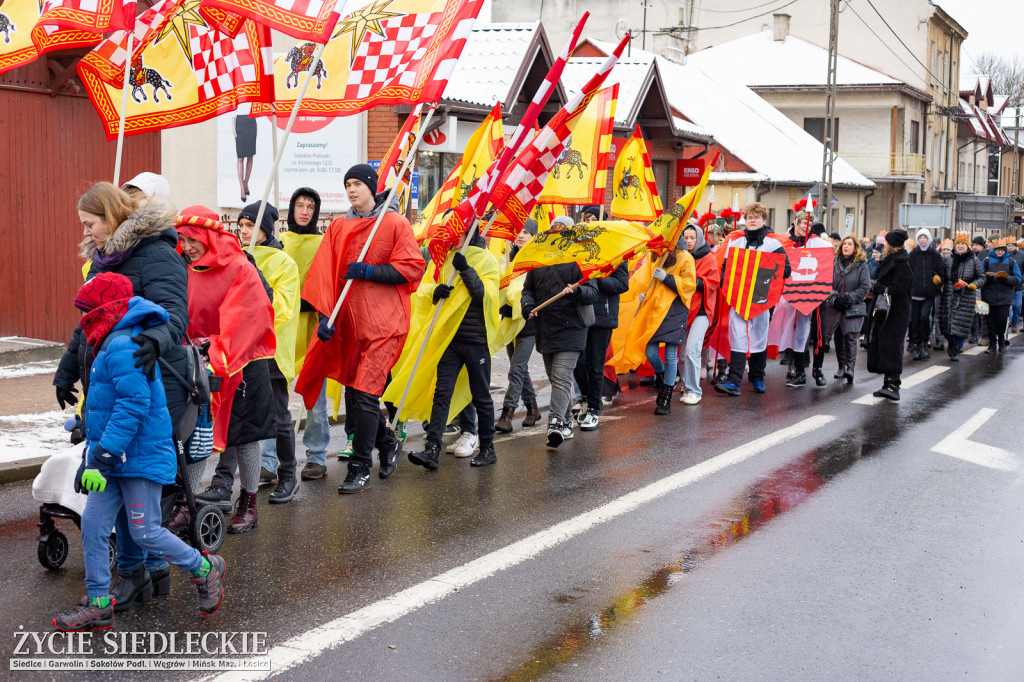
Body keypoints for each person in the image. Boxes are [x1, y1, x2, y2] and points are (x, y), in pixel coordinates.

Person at [52, 274, 225, 632]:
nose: (83, 321)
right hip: (112, 459)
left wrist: (101, 457)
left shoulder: (120, 345)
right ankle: (100, 603)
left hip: (138, 457)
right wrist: (93, 458)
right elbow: (104, 408)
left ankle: (205, 567)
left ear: (105, 311)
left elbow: (133, 405)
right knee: (94, 527)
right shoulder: (108, 343)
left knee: (145, 532)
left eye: (87, 312)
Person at [55, 182, 188, 610]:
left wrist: (154, 339)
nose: (88, 232)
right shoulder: (104, 258)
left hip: (150, 376)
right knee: (118, 481)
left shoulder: (158, 253)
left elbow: (176, 314)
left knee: (134, 480)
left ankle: (141, 572)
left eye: (91, 223)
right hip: (109, 377)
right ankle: (148, 572)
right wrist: (66, 367)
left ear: (110, 215)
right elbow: (88, 318)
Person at [302, 164, 425, 493]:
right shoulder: (338, 227)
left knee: (367, 393)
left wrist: (370, 271)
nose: (352, 190)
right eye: (348, 185)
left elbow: (412, 268)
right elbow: (324, 276)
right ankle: (387, 443)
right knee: (357, 396)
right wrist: (325, 316)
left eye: (357, 183)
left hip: (385, 324)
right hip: (351, 325)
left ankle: (359, 468)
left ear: (371, 187)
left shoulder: (395, 223)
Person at [174, 207, 277, 532]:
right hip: (200, 365)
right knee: (197, 434)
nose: (187, 246)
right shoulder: (185, 269)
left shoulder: (240, 268)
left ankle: (248, 503)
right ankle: (187, 503)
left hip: (243, 365)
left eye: (192, 240)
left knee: (244, 438)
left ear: (209, 237)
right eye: (182, 240)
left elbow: (250, 315)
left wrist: (214, 347)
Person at [200, 202, 301, 505]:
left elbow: (278, 309)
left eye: (250, 225)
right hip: (236, 352)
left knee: (280, 418)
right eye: (241, 225)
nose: (244, 231)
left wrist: (254, 271)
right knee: (233, 417)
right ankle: (222, 481)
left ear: (267, 229)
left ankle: (288, 475)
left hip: (268, 354)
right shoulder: (233, 258)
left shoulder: (284, 263)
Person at [402, 231, 501, 469]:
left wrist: (466, 269)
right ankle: (432, 449)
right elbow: (429, 289)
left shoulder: (487, 259)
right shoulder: (446, 258)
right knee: (442, 393)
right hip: (450, 339)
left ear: (469, 233)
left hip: (476, 340)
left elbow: (483, 296)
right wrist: (436, 292)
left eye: (458, 231)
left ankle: (487, 448)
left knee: (481, 395)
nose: (452, 236)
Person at [279, 188, 334, 477]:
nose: (304, 211)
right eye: (299, 205)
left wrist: (311, 304)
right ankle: (266, 463)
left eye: (310, 206)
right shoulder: (280, 243)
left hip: (313, 329)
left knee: (315, 397)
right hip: (283, 331)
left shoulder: (323, 244)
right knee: (275, 398)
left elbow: (326, 284)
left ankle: (317, 457)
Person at [714, 203, 791, 397]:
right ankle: (733, 381)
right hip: (738, 298)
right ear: (745, 220)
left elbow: (786, 270)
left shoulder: (773, 244)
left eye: (757, 217)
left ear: (764, 220)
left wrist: (764, 270)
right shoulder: (736, 242)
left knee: (759, 338)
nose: (753, 220)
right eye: (749, 217)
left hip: (762, 300)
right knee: (738, 337)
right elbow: (725, 269)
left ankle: (757, 377)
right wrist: (726, 283)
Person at [520, 263, 599, 448]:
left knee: (561, 377)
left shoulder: (580, 260)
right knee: (555, 379)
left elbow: (592, 292)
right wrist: (528, 306)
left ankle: (555, 423)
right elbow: (528, 290)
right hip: (546, 329)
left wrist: (577, 291)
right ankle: (567, 421)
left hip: (573, 329)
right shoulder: (538, 261)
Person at [615, 236, 696, 414]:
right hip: (653, 308)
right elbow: (643, 280)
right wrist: (642, 295)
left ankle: (665, 397)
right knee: (650, 352)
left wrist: (667, 278)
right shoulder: (654, 256)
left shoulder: (685, 257)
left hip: (674, 310)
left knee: (670, 355)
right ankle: (665, 376)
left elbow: (690, 286)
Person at [771, 214, 831, 388]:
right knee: (796, 334)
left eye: (810, 223)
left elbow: (826, 262)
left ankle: (817, 370)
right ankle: (799, 372)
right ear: (795, 222)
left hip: (816, 296)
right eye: (804, 222)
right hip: (792, 295)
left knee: (818, 333)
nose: (807, 226)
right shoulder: (784, 243)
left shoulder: (818, 243)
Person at [496, 221, 541, 433]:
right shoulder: (509, 259)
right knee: (519, 369)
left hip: (529, 321)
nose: (521, 236)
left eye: (526, 232)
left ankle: (507, 413)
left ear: (534, 236)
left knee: (516, 369)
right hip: (510, 321)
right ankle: (533, 409)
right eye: (518, 231)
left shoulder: (538, 260)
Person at [573, 258, 628, 428]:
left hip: (602, 315)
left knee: (595, 364)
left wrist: (596, 278)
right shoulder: (580, 253)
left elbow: (622, 284)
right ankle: (588, 397)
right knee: (577, 361)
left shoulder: (617, 255)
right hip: (580, 313)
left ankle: (593, 408)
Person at [812, 235, 870, 383]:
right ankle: (841, 367)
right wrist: (834, 298)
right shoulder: (834, 262)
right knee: (838, 336)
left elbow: (865, 287)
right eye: (844, 244)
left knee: (850, 336)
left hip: (853, 306)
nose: (846, 247)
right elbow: (825, 281)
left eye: (850, 244)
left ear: (855, 248)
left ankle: (850, 368)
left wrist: (849, 298)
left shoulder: (861, 264)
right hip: (835, 306)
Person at [867, 230, 912, 401]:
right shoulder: (890, 260)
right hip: (886, 309)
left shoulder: (902, 263)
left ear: (892, 244)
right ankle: (887, 383)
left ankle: (894, 384)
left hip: (896, 311)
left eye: (886, 242)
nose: (883, 244)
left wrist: (881, 288)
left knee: (893, 346)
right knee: (884, 345)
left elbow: (899, 288)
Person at [679, 223, 719, 404]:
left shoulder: (708, 258)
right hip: (682, 309)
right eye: (685, 238)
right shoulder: (678, 257)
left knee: (692, 349)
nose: (688, 241)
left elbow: (711, 283)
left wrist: (688, 281)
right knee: (681, 354)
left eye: (692, 238)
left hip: (701, 310)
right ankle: (686, 385)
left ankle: (694, 390)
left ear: (699, 238)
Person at [938, 232, 984, 361]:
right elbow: (941, 274)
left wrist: (974, 285)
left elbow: (982, 277)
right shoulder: (947, 259)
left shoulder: (974, 260)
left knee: (961, 324)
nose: (960, 246)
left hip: (966, 296)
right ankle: (951, 342)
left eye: (963, 244)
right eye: (958, 244)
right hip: (948, 295)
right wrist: (938, 280)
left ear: (967, 246)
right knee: (946, 323)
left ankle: (957, 348)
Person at [907, 228, 944, 361]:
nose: (923, 240)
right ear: (918, 240)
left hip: (929, 294)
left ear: (929, 240)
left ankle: (924, 344)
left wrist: (937, 281)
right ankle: (917, 346)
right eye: (920, 238)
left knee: (924, 318)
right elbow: (907, 272)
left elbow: (941, 272)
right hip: (914, 293)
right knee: (915, 320)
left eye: (925, 238)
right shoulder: (912, 254)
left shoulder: (934, 254)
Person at [980, 238, 1021, 353]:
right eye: (997, 250)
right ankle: (992, 344)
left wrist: (1006, 279)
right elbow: (980, 275)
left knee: (1002, 320)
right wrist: (987, 278)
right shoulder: (987, 260)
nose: (999, 252)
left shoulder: (1011, 261)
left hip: (1005, 296)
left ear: (1005, 250)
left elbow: (1018, 278)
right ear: (994, 249)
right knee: (990, 321)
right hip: (989, 296)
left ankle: (1001, 341)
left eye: (1002, 250)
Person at [233, 113, 257, 202]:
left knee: (250, 156)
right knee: (240, 158)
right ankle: (242, 188)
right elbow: (232, 107)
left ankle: (246, 183)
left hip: (251, 120)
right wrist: (233, 127)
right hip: (239, 122)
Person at [1007, 239, 1024, 332]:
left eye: (1012, 246)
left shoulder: (1021, 255)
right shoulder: (1004, 255)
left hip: (1018, 284)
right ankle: (1007, 323)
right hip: (1006, 284)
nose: (1010, 248)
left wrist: (1021, 279)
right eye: (1008, 246)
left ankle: (1014, 323)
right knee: (1007, 306)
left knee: (1017, 305)